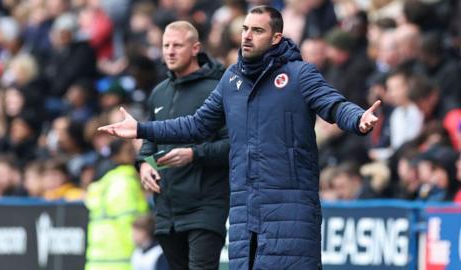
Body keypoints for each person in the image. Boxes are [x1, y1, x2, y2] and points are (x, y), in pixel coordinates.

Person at [98, 6, 380, 270]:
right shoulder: (232, 79)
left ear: (275, 37)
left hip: (290, 205)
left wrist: (357, 118)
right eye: (245, 28)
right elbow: (197, 125)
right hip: (245, 210)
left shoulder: (299, 74)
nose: (247, 35)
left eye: (257, 30)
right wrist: (142, 129)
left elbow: (333, 105)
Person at [136, 21, 230, 270]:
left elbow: (234, 145)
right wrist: (144, 165)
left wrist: (194, 154)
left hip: (206, 208)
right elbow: (149, 142)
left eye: (177, 45)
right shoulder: (159, 92)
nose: (170, 51)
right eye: (166, 45)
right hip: (167, 212)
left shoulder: (218, 89)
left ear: (195, 48)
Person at [85, 139, 149, 270]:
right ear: (116, 156)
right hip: (123, 263)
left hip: (97, 263)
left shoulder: (103, 183)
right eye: (130, 151)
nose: (135, 154)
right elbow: (131, 224)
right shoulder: (125, 183)